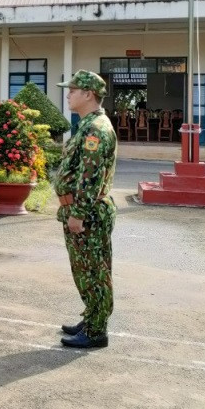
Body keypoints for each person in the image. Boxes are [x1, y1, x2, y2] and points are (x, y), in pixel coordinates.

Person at [54, 70, 118, 349]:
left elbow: (90, 177)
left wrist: (77, 214)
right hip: (82, 211)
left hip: (87, 213)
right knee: (87, 270)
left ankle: (96, 330)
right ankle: (92, 317)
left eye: (73, 90)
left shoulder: (95, 129)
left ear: (88, 94)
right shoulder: (87, 125)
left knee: (93, 273)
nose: (68, 94)